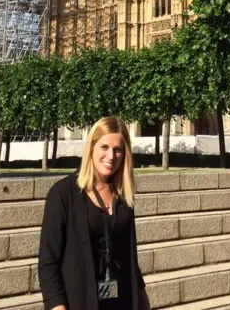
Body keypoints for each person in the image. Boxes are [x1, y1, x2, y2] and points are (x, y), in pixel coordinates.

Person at [38, 117, 151, 310]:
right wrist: (57, 306)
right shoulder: (63, 194)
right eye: (104, 147)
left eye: (118, 150)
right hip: (80, 301)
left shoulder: (124, 196)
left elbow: (130, 258)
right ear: (91, 147)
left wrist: (143, 300)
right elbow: (48, 262)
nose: (111, 156)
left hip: (121, 301)